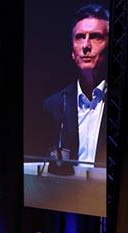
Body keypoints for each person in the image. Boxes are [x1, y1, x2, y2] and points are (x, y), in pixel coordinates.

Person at [42, 4, 109, 168]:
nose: (86, 45)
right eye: (80, 37)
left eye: (96, 37)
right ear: (72, 51)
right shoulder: (54, 105)